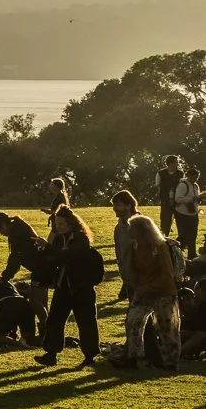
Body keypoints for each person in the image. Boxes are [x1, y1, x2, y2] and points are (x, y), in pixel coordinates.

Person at [33, 207, 105, 367]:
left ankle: (90, 356)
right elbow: (56, 258)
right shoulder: (60, 238)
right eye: (56, 223)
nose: (58, 226)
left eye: (61, 223)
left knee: (86, 322)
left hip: (81, 287)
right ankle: (51, 354)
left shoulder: (81, 239)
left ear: (71, 224)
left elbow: (69, 257)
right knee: (54, 321)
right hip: (63, 286)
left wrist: (48, 247)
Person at [111, 210, 182, 369]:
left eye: (132, 228)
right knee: (133, 322)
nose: (129, 230)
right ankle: (135, 356)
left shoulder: (160, 247)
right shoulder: (135, 246)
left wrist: (147, 288)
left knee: (167, 328)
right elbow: (132, 270)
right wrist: (137, 287)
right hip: (143, 291)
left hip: (163, 292)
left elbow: (167, 275)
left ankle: (171, 362)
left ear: (142, 231)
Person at [166, 157, 200, 255]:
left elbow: (195, 198)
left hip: (193, 213)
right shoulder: (183, 185)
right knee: (183, 236)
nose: (195, 179)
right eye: (194, 177)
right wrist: (192, 199)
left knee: (193, 236)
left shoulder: (195, 186)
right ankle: (174, 253)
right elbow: (178, 199)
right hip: (182, 214)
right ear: (189, 176)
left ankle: (192, 255)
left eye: (197, 177)